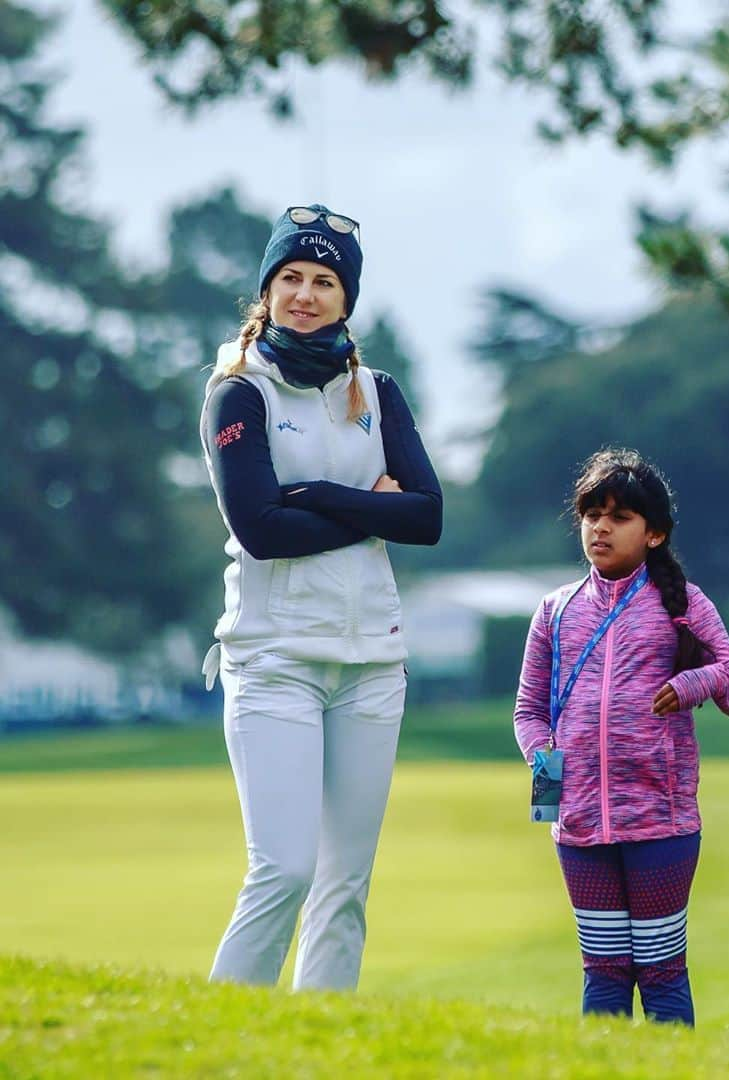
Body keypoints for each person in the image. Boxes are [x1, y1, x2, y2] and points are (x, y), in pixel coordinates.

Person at [199, 204, 442, 990]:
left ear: (347, 298)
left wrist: (315, 496)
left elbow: (428, 515)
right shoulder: (239, 393)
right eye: (291, 278)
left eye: (325, 280)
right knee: (284, 870)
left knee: (345, 887)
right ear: (267, 291)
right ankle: (222, 1043)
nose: (306, 293)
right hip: (274, 660)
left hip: (372, 662)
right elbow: (263, 529)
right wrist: (368, 505)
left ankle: (312, 1055)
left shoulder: (378, 390)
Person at [513, 448, 729, 1025]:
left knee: (661, 970)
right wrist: (543, 757)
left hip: (661, 825)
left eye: (620, 517)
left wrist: (699, 680)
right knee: (602, 971)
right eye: (592, 513)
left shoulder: (685, 604)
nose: (600, 526)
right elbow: (528, 708)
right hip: (578, 828)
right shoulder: (554, 609)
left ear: (654, 534)